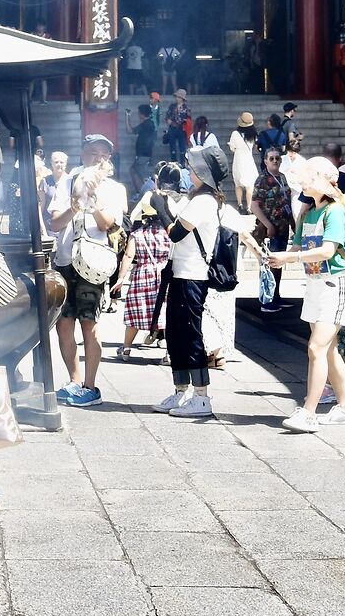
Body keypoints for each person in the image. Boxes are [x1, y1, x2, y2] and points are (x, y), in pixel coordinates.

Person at [266, 158, 345, 433]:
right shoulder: (308, 214)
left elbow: (327, 251)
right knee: (328, 349)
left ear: (323, 181)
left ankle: (309, 411)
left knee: (316, 348)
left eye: (308, 178)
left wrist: (289, 257)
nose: (302, 182)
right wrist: (279, 258)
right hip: (316, 283)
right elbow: (298, 247)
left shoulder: (334, 212)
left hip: (335, 283)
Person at [162, 145, 238, 419]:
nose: (188, 172)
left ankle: (202, 396)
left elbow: (176, 232)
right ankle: (181, 390)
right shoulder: (197, 198)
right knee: (175, 334)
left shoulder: (204, 201)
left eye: (193, 169)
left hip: (193, 276)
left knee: (191, 335)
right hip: (182, 273)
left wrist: (159, 207)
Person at [49, 134, 125, 408]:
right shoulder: (67, 182)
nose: (98, 159)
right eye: (92, 153)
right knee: (64, 323)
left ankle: (90, 386)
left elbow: (107, 225)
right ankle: (74, 380)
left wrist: (92, 201)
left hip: (93, 264)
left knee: (89, 324)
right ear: (82, 154)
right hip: (65, 259)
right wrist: (74, 204)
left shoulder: (115, 189)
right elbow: (55, 223)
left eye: (103, 155)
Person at [118, 162, 179, 360]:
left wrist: (120, 278)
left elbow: (128, 256)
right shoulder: (170, 234)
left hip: (142, 274)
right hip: (164, 275)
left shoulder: (138, 234)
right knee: (166, 315)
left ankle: (126, 349)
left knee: (135, 314)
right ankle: (169, 353)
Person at [251, 146, 294, 313]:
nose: (275, 161)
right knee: (268, 265)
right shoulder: (262, 179)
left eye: (277, 158)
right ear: (265, 161)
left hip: (283, 228)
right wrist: (268, 225)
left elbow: (286, 202)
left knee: (278, 264)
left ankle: (276, 296)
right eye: (271, 158)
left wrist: (292, 222)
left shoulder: (282, 178)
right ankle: (267, 301)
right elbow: (254, 205)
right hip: (269, 229)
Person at [229, 114, 260, 210]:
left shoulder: (235, 133)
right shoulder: (253, 134)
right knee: (250, 185)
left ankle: (239, 204)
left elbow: (232, 148)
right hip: (248, 160)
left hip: (238, 160)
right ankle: (249, 207)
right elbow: (255, 146)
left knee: (238, 184)